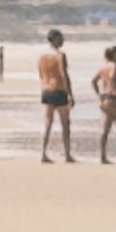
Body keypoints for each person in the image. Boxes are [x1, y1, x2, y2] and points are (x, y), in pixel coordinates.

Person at [33, 29, 76, 162]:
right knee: (65, 123)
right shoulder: (60, 55)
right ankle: (67, 154)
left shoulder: (42, 56)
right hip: (58, 89)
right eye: (61, 38)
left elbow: (40, 73)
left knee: (48, 123)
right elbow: (64, 74)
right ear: (55, 39)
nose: (63, 41)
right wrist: (70, 94)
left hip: (46, 89)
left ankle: (43, 153)